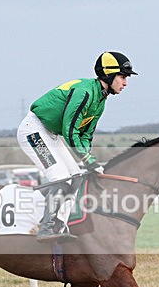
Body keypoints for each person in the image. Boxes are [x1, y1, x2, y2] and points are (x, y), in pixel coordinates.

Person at [17, 51, 137, 242]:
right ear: (109, 74)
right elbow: (70, 130)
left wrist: (89, 159)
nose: (125, 83)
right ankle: (45, 227)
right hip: (33, 130)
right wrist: (88, 161)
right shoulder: (85, 92)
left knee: (76, 178)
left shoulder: (100, 101)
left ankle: (59, 224)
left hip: (51, 134)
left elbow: (85, 135)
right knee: (60, 177)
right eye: (122, 77)